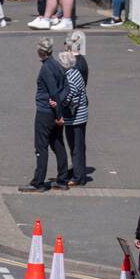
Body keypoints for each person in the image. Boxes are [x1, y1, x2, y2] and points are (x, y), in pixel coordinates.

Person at [18, 37, 71, 192]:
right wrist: (59, 105)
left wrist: (58, 113)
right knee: (58, 144)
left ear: (39, 51)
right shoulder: (57, 65)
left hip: (45, 113)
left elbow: (53, 91)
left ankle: (38, 182)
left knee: (41, 147)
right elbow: (66, 88)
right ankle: (62, 179)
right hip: (54, 113)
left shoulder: (46, 69)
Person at [58, 34, 88, 187]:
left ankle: (78, 176)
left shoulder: (72, 72)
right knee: (77, 145)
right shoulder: (78, 67)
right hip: (80, 113)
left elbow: (69, 97)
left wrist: (59, 104)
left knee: (76, 145)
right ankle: (77, 171)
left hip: (76, 115)